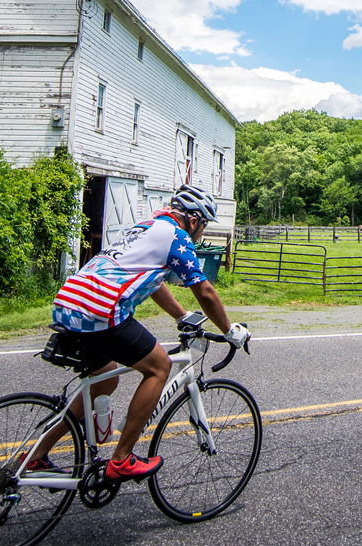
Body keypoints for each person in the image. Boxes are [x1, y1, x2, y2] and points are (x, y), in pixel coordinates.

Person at [27, 184, 250, 482]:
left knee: (105, 380)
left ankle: (36, 455)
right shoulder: (176, 236)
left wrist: (183, 316)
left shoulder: (145, 227)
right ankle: (121, 460)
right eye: (204, 224)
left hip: (70, 300)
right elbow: (204, 290)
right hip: (100, 309)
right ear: (193, 220)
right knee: (160, 366)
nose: (201, 233)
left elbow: (155, 282)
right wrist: (229, 329)